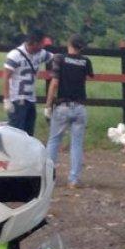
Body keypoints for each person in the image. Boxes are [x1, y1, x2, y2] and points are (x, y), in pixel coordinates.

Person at [45, 34, 95, 188]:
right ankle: (74, 179)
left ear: (69, 44)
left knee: (54, 141)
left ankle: (48, 177)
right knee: (77, 144)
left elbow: (54, 83)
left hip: (63, 106)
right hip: (80, 107)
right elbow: (90, 77)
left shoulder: (60, 59)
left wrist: (48, 105)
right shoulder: (86, 61)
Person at [2, 31, 51, 136]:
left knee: (29, 133)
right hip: (17, 98)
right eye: (41, 43)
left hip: (31, 98)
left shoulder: (40, 54)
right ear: (35, 43)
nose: (43, 46)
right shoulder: (15, 55)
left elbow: (54, 58)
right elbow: (6, 77)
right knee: (16, 132)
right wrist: (6, 99)